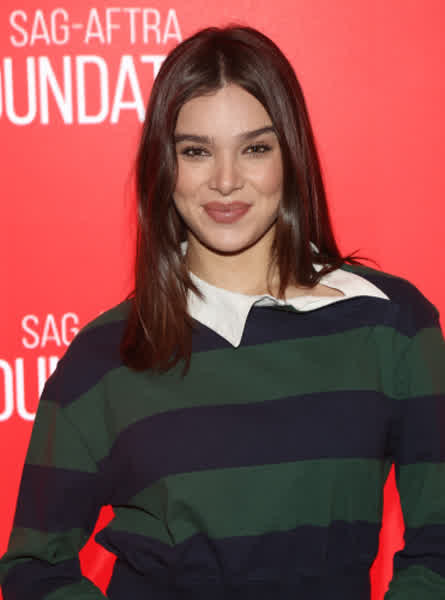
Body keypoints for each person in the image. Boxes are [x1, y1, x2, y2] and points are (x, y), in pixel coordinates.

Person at [0, 24, 444, 600]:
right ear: (164, 165)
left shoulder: (393, 326)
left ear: (291, 155)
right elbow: (34, 568)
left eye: (255, 148)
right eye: (196, 151)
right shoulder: (105, 357)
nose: (226, 180)